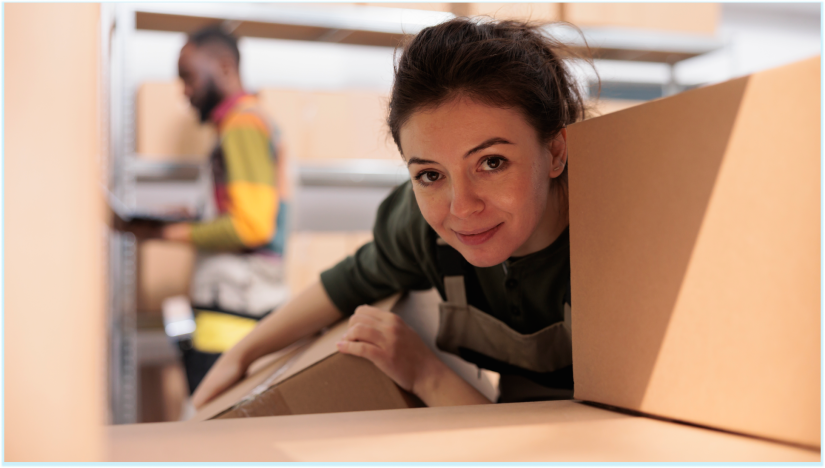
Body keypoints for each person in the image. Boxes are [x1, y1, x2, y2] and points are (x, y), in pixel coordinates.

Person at [192, 17, 589, 409]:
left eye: (492, 163)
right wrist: (240, 356)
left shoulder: (615, 235)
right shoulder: (421, 227)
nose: (461, 207)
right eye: (430, 174)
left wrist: (426, 375)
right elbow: (349, 282)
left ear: (555, 151)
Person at [124, 25, 291, 393]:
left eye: (189, 77)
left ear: (225, 68)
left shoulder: (243, 125)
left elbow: (252, 227)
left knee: (214, 435)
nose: (184, 91)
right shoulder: (243, 124)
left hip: (235, 313)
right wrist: (194, 217)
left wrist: (165, 232)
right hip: (240, 308)